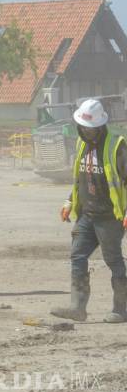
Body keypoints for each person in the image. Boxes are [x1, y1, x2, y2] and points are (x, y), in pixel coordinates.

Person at [52, 98, 127, 323]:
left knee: (113, 260)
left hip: (109, 217)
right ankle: (77, 307)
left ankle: (121, 310)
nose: (86, 131)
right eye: (83, 127)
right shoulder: (81, 144)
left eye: (90, 128)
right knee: (77, 255)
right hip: (86, 215)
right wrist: (69, 202)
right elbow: (81, 178)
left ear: (100, 125)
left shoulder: (117, 146)